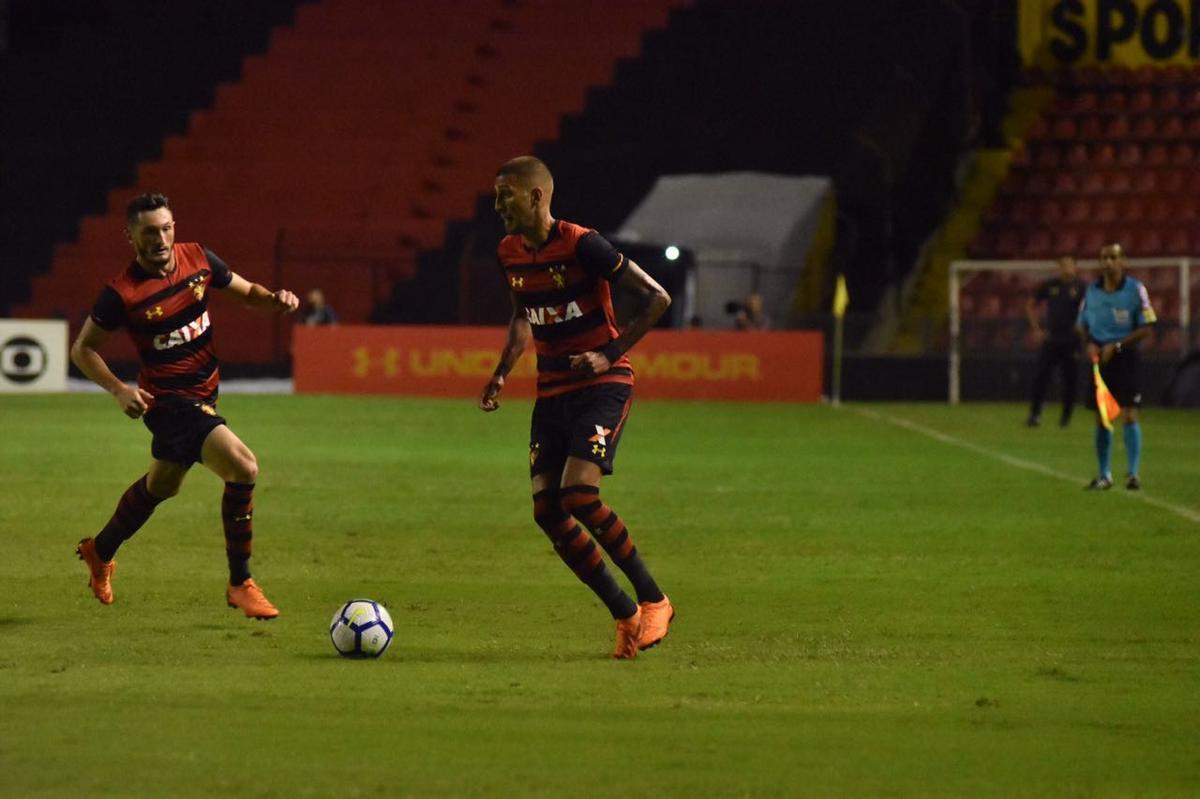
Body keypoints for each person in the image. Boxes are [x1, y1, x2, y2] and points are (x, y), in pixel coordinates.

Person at [479, 156, 674, 660]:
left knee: (579, 495)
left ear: (536, 196)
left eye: (505, 195)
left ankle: (654, 600)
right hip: (551, 393)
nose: (498, 205)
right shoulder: (508, 252)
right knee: (547, 511)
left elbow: (657, 298)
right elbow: (522, 314)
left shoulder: (584, 244)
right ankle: (625, 613)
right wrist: (502, 371)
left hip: (602, 385)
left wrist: (608, 353)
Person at [69, 192, 299, 617]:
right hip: (168, 404)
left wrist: (274, 299)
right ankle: (241, 583)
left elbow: (247, 292)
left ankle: (99, 550)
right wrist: (118, 389)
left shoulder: (198, 258)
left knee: (163, 486)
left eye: (165, 228)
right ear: (131, 236)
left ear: (174, 227)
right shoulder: (122, 293)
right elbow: (83, 350)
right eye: (149, 232)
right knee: (244, 467)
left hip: (204, 394)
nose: (160, 239)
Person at [1076, 243, 1157, 491]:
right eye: (1104, 258)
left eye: (1113, 257)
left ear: (1123, 261)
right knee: (1103, 417)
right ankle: (1104, 475)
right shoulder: (1092, 291)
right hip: (1101, 358)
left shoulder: (1136, 290)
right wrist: (1089, 343)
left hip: (1126, 357)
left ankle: (1133, 474)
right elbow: (1081, 323)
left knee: (1130, 413)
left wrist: (1118, 345)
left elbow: (1147, 327)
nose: (1108, 262)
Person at [1025, 255, 1085, 427]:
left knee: (1070, 379)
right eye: (1062, 265)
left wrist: (1084, 328)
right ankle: (1035, 415)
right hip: (1051, 339)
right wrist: (1036, 329)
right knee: (1041, 377)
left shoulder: (1082, 288)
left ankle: (1066, 417)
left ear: (1075, 267)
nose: (1066, 268)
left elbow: (1092, 309)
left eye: (1069, 265)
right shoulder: (1050, 285)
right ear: (1058, 268)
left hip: (1072, 340)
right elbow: (1030, 305)